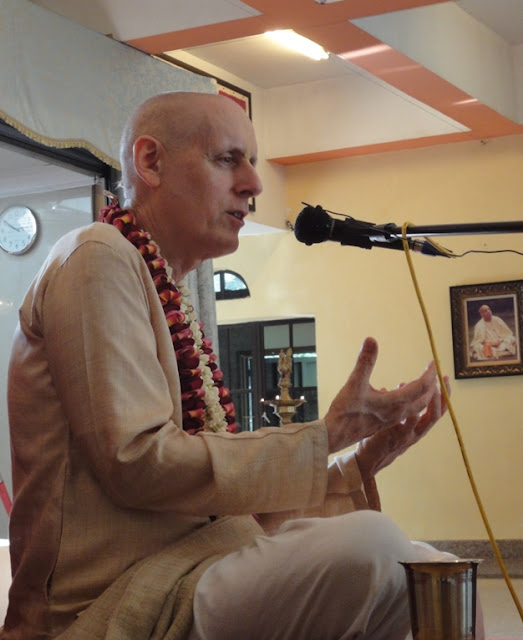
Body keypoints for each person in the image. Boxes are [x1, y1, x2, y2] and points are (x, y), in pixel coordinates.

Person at [2, 91, 481, 640]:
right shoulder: (97, 257)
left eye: (251, 162)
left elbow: (221, 517)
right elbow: (135, 461)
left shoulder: (166, 290)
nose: (253, 184)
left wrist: (359, 461)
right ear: (151, 162)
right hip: (114, 604)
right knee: (375, 549)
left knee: (432, 572)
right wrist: (324, 435)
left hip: (184, 574)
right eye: (228, 159)